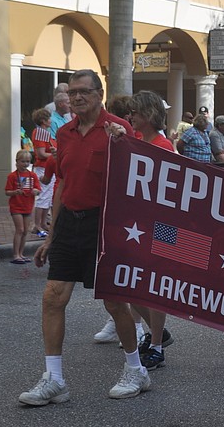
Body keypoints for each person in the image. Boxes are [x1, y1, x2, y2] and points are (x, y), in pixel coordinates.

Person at [18, 69, 150, 406]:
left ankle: (136, 369)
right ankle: (54, 379)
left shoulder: (118, 130)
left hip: (104, 225)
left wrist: (124, 142)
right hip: (69, 224)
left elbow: (139, 174)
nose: (76, 97)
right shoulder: (64, 133)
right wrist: (50, 235)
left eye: (84, 92)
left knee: (114, 302)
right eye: (72, 92)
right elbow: (62, 183)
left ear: (99, 94)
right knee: (53, 298)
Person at [107, 90, 177, 370]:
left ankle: (157, 346)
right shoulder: (136, 140)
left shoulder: (163, 145)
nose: (130, 116)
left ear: (148, 114)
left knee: (153, 287)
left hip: (159, 224)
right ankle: (156, 335)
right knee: (130, 285)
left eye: (135, 112)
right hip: (136, 224)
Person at [5, 150, 41, 264]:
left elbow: (38, 189)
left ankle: (21, 253)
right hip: (16, 206)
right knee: (20, 230)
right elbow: (7, 191)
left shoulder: (33, 175)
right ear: (17, 161)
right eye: (23, 161)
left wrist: (36, 191)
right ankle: (16, 254)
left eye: (27, 162)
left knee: (25, 231)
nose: (25, 164)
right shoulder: (12, 176)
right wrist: (14, 192)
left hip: (28, 206)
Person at [30, 108, 56, 238]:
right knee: (42, 197)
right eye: (49, 118)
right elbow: (41, 153)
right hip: (42, 168)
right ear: (43, 121)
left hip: (48, 167)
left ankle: (43, 223)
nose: (51, 120)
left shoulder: (44, 133)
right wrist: (56, 155)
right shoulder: (40, 132)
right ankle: (37, 225)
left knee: (48, 197)